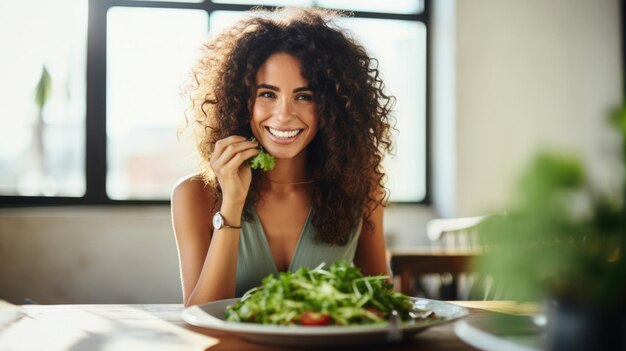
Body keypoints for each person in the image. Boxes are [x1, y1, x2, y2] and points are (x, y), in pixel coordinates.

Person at [172, 7, 395, 307]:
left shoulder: (361, 184)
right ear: (241, 101)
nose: (284, 115)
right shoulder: (194, 195)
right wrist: (232, 205)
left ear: (332, 107)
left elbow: (383, 302)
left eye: (305, 96)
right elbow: (202, 317)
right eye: (267, 94)